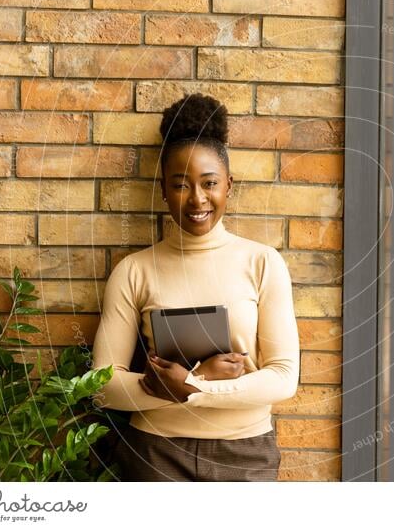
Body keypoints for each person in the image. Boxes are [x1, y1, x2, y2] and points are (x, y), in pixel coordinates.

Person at [91, 93, 300, 481]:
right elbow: (102, 386)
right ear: (164, 190)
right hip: (155, 455)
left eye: (209, 183)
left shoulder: (263, 262)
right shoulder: (134, 270)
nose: (197, 199)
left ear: (229, 186)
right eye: (181, 185)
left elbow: (284, 376)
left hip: (246, 456)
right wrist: (182, 387)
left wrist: (191, 386)